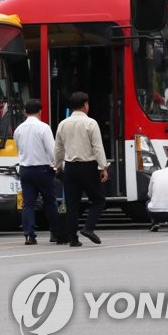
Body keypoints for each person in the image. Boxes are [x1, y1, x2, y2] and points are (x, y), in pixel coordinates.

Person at [55, 91, 108, 247]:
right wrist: (103, 167)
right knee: (98, 199)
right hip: (88, 166)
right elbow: (97, 147)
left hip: (70, 167)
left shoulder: (63, 124)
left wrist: (58, 166)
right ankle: (88, 228)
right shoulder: (91, 123)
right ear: (85, 105)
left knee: (72, 204)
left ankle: (73, 238)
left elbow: (58, 148)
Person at [13, 99, 63, 246]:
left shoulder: (18, 129)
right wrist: (59, 165)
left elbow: (19, 150)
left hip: (25, 170)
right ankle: (54, 232)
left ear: (24, 112)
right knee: (50, 202)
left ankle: (29, 235)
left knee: (28, 204)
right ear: (40, 111)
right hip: (42, 169)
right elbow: (52, 150)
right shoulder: (44, 128)